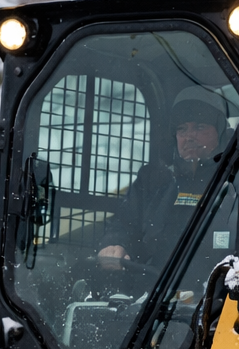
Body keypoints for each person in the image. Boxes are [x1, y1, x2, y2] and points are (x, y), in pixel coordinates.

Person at [96, 86, 231, 272]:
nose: (189, 136)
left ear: (221, 132)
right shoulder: (154, 180)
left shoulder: (238, 178)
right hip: (154, 287)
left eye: (199, 127)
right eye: (182, 129)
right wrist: (115, 243)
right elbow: (124, 223)